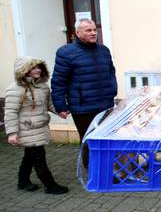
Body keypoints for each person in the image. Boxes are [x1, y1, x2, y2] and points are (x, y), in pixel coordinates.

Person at [51, 19, 117, 168]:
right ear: (77, 33)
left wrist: (112, 90)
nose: (93, 33)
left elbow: (111, 72)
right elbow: (58, 81)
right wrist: (60, 105)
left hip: (105, 103)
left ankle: (107, 169)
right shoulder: (65, 53)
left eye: (94, 29)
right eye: (88, 30)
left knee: (106, 138)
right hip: (83, 106)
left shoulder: (103, 50)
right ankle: (92, 171)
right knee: (88, 140)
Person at [4, 57, 68, 194]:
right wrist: (12, 133)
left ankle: (23, 181)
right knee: (39, 156)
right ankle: (50, 185)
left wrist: (60, 112)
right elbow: (10, 112)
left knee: (30, 156)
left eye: (39, 67)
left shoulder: (43, 86)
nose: (38, 70)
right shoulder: (15, 89)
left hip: (40, 127)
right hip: (26, 129)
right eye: (33, 67)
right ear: (24, 70)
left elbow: (49, 104)